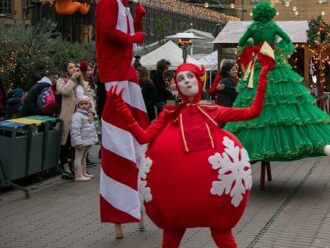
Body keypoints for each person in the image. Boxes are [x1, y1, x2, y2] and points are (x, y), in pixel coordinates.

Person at [104, 57, 274, 248]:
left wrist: (263, 77)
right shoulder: (169, 114)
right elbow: (143, 137)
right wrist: (121, 108)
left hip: (213, 192)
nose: (186, 81)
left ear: (199, 80)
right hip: (177, 194)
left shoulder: (213, 111)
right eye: (181, 78)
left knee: (221, 233)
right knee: (172, 233)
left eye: (190, 76)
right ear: (177, 85)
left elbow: (253, 111)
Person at [226, 1, 330, 162]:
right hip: (273, 63)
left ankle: (252, 149)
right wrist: (275, 48)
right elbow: (287, 40)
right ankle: (287, 144)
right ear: (270, 14)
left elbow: (241, 44)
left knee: (256, 100)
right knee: (283, 100)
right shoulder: (273, 27)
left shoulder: (252, 28)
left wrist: (253, 45)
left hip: (259, 65)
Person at [58, 61, 89, 181]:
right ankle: (65, 167)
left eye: (74, 67)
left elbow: (85, 95)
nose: (73, 69)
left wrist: (80, 79)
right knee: (65, 143)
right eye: (70, 67)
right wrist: (72, 79)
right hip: (67, 117)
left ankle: (78, 168)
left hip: (80, 117)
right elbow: (64, 91)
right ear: (66, 70)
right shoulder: (62, 80)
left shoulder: (78, 81)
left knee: (78, 142)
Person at [70, 96, 97, 182]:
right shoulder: (77, 116)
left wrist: (94, 139)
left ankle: (84, 172)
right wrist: (77, 142)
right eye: (82, 104)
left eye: (86, 103)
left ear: (89, 105)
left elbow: (92, 129)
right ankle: (78, 175)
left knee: (84, 157)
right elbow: (75, 130)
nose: (84, 105)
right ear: (78, 105)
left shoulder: (88, 115)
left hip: (86, 141)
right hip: (81, 142)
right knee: (78, 157)